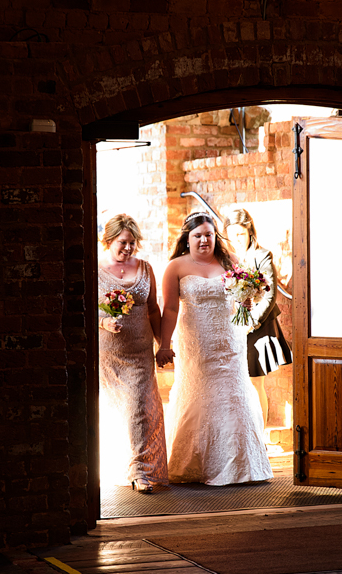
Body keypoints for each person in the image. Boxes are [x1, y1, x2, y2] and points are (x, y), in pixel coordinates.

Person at [156, 212, 274, 486]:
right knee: (199, 396)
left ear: (215, 237)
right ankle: (196, 463)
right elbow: (170, 308)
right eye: (198, 235)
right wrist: (164, 344)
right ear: (188, 238)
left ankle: (239, 464)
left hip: (228, 341)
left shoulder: (230, 261)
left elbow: (243, 298)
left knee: (233, 395)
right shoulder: (175, 267)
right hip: (196, 343)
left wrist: (247, 299)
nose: (204, 240)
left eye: (209, 234)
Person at [97, 214, 168, 494]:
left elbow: (153, 309)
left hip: (140, 352)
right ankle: (121, 463)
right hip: (109, 353)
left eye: (132, 243)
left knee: (138, 408)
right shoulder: (94, 269)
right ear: (110, 240)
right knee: (119, 412)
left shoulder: (146, 268)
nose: (128, 248)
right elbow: (86, 309)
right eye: (123, 243)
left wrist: (163, 344)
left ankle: (140, 471)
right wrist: (104, 322)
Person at [224, 208, 293, 428]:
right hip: (233, 327)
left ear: (250, 232)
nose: (236, 240)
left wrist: (250, 322)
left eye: (240, 235)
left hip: (258, 328)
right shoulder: (228, 259)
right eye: (232, 235)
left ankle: (260, 437)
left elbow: (270, 294)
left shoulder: (262, 255)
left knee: (255, 383)